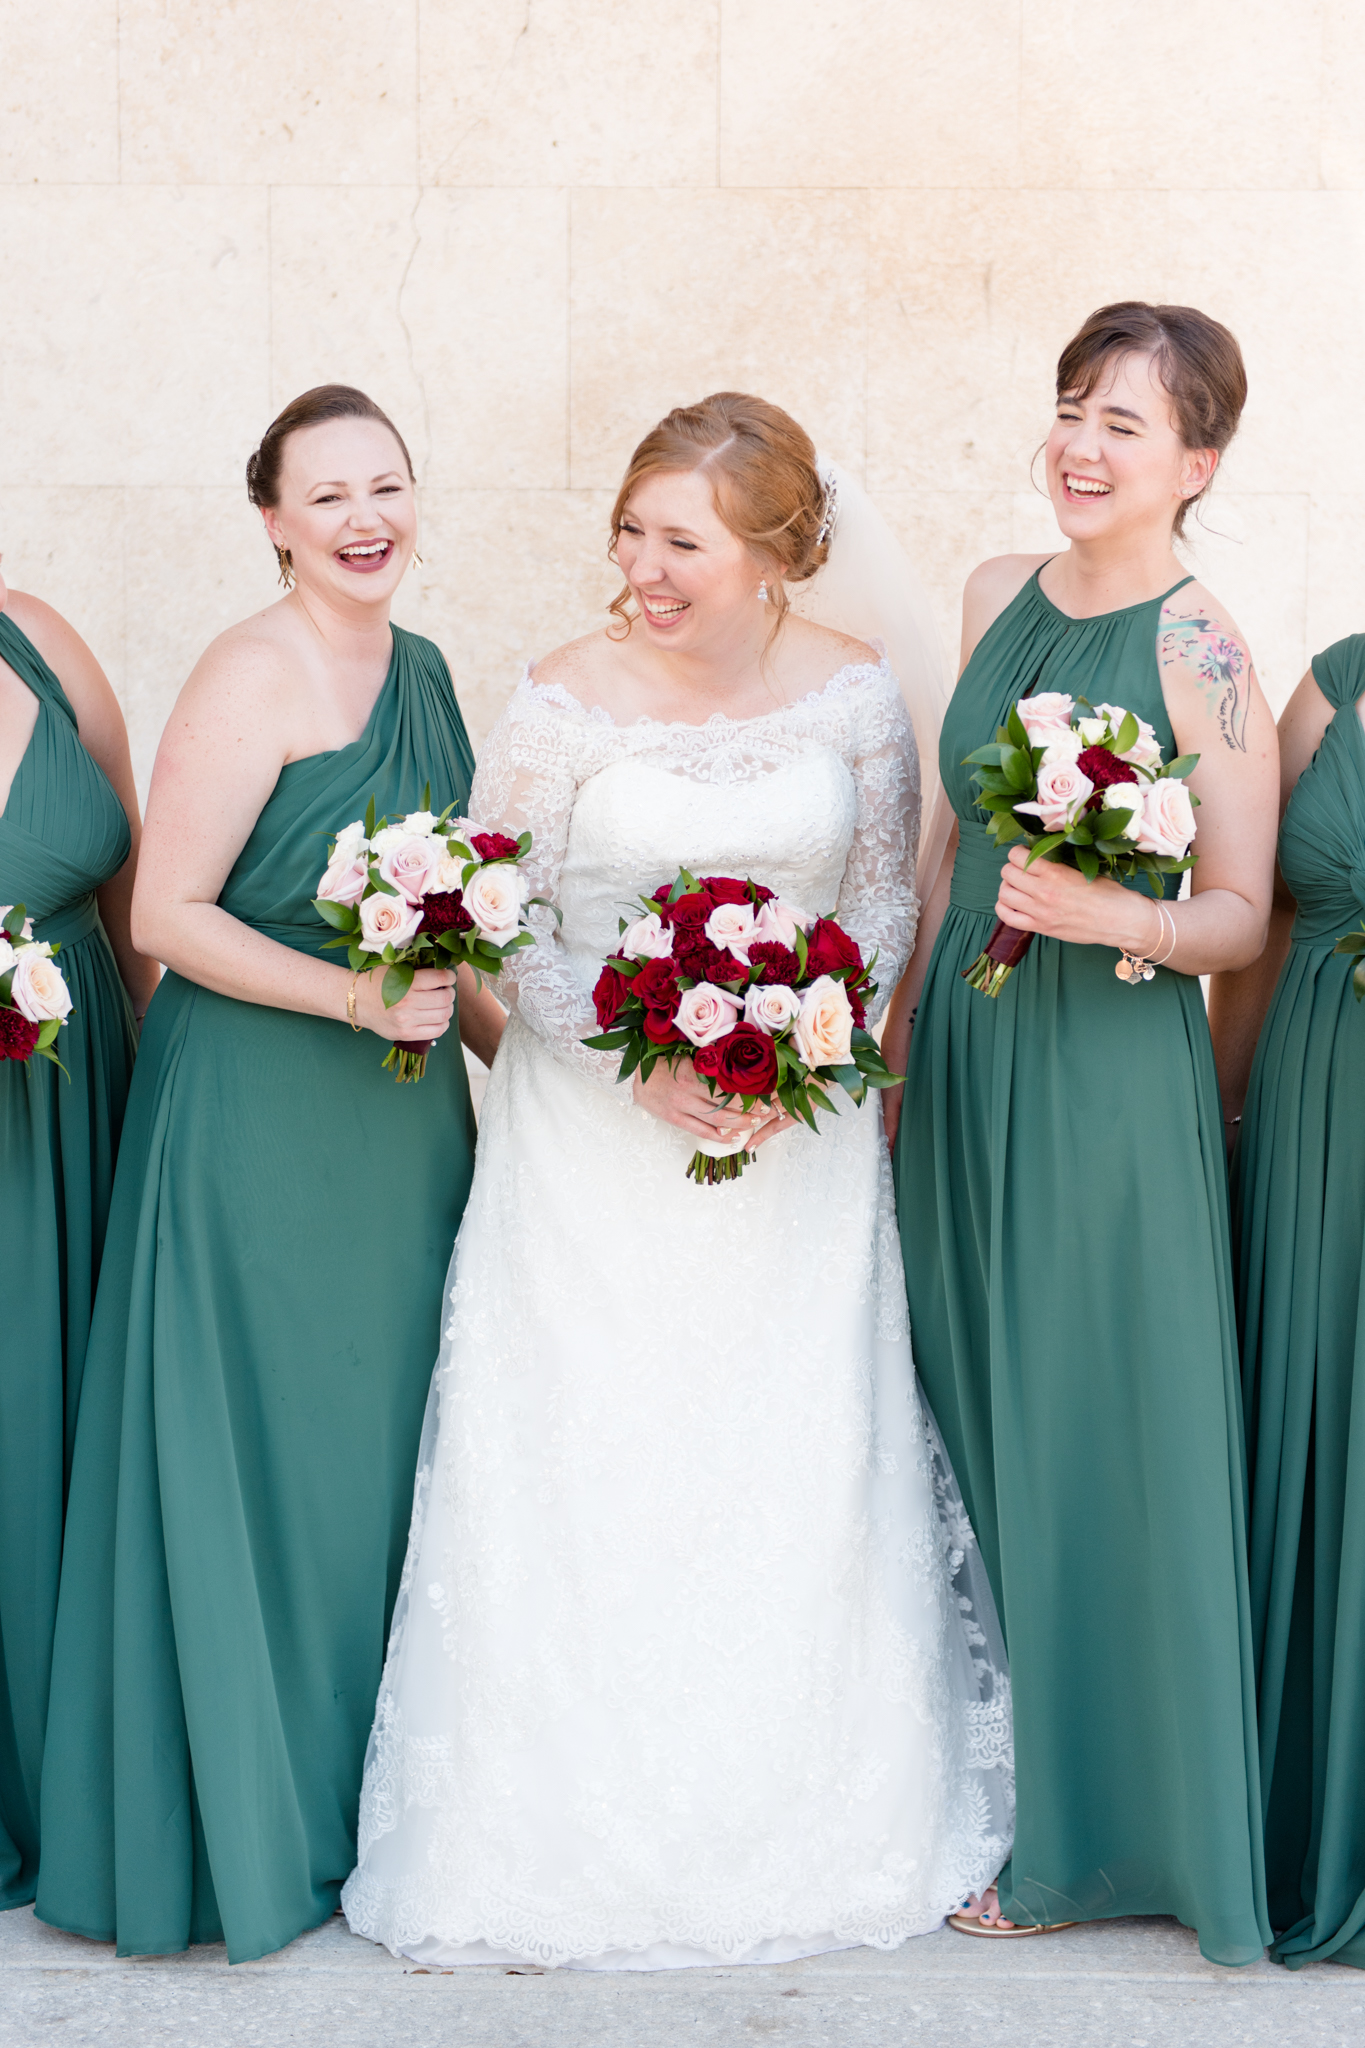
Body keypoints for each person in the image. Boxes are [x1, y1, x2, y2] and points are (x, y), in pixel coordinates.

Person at [341, 393, 1014, 1970]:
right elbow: (493, 915)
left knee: (780, 1462)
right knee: (594, 1457)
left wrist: (801, 1067)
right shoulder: (561, 699)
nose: (642, 567)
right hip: (587, 1154)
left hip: (801, 1152)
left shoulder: (852, 696)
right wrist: (633, 1063)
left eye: (682, 541)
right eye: (631, 530)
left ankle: (809, 1810)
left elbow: (875, 910)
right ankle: (550, 1833)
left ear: (775, 555)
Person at [35, 385, 504, 1963]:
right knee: (265, 1455)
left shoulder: (426, 670)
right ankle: (240, 1825)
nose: (365, 517)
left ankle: (354, 1817)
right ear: (273, 520)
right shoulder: (251, 669)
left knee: (375, 1453)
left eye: (389, 483)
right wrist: (354, 996)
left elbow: (458, 924)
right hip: (254, 1111)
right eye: (327, 495)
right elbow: (164, 912)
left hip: (397, 1126)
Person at [886, 304, 1277, 1963]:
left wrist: (1117, 909)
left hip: (1104, 1081)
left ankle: (1098, 1840)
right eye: (1070, 407)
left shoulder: (1204, 653)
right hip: (966, 1059)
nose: (1084, 444)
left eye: (1127, 422)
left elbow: (1240, 915)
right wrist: (898, 1027)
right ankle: (993, 1782)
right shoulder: (993, 596)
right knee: (971, 1409)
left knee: (1082, 1435)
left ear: (1195, 463)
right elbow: (934, 839)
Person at [0, 571, 156, 1910]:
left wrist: (171, 1093)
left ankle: (89, 1779)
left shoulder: (40, 631)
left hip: (84, 1094)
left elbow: (136, 897)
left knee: (74, 1417)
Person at [1212, 636, 1365, 1969]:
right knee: (1311, 1440)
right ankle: (1297, 1815)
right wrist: (1221, 1107)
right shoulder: (1331, 680)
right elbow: (1255, 925)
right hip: (1315, 1114)